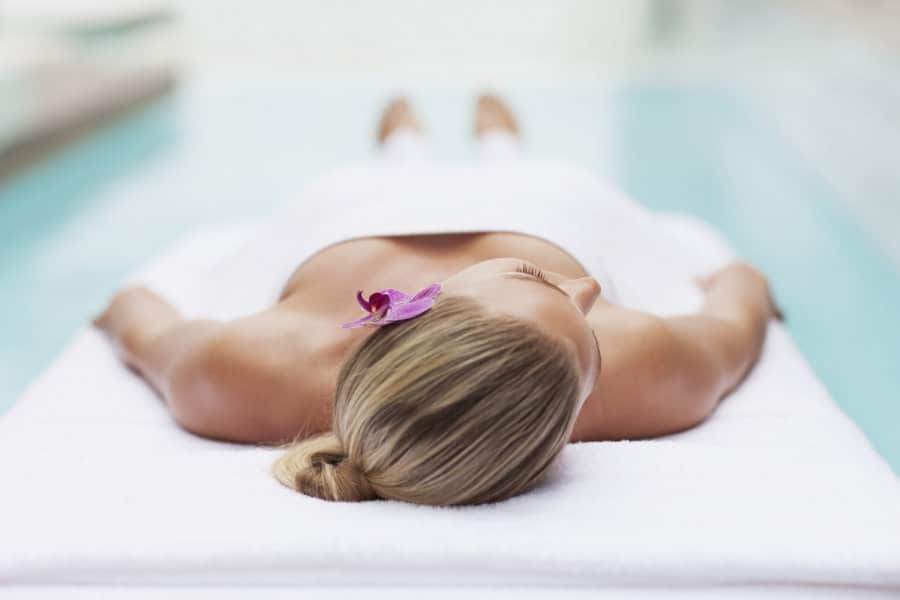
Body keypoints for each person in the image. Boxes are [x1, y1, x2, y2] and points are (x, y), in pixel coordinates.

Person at [93, 95, 782, 507]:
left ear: (419, 307)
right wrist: (744, 280)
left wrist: (123, 310)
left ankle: (404, 146)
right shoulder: (647, 374)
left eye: (546, 286)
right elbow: (738, 306)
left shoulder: (247, 372)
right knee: (529, 173)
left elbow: (136, 317)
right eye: (589, 336)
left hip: (349, 211)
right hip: (545, 207)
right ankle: (500, 144)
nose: (589, 289)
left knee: (384, 173)